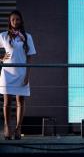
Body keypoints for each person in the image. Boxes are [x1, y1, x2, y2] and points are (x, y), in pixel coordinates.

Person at [0, 10, 36, 140]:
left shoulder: (27, 37)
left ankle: (18, 128)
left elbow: (30, 57)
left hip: (22, 73)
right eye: (13, 19)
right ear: (10, 21)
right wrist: (1, 58)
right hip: (7, 73)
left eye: (17, 19)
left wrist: (27, 75)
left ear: (21, 21)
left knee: (20, 100)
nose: (15, 22)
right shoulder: (3, 36)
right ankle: (7, 127)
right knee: (7, 101)